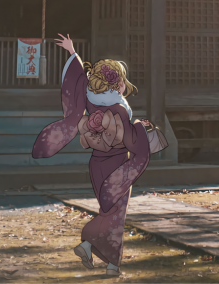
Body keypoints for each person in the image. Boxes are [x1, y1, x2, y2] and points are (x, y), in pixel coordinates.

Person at [32, 34, 168, 276]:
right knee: (116, 213)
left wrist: (72, 52)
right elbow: (130, 139)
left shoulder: (90, 99)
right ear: (118, 84)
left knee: (109, 211)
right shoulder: (118, 107)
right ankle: (99, 253)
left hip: (96, 162)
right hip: (117, 163)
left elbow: (78, 79)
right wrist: (140, 128)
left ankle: (105, 260)